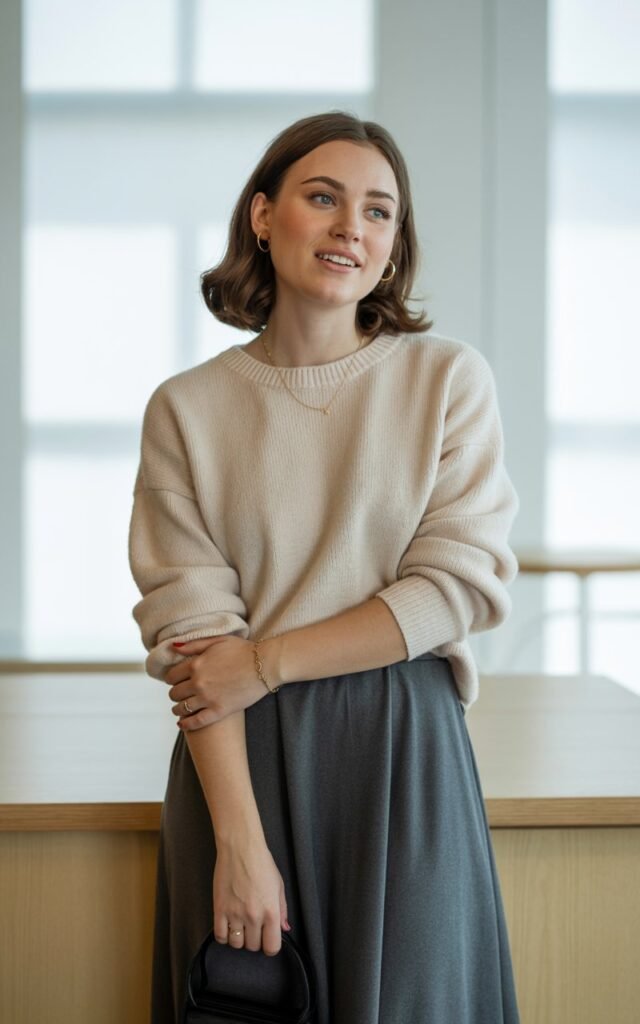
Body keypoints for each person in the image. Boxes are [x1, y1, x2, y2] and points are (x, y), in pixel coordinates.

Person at [128, 110, 521, 1024]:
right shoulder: (187, 408)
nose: (352, 227)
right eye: (323, 198)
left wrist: (265, 662)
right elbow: (193, 637)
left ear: (393, 245)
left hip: (402, 752)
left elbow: (454, 588)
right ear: (264, 216)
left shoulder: (446, 380)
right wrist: (238, 843)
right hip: (237, 760)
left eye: (379, 211)